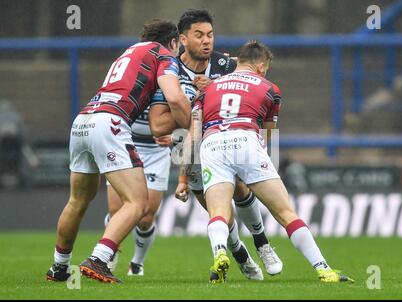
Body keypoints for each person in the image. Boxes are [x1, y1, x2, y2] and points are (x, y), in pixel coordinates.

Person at [190, 40, 354, 284]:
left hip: (211, 144)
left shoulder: (208, 89)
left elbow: (193, 133)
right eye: (265, 68)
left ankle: (220, 253)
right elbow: (267, 133)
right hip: (245, 139)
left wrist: (185, 176)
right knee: (285, 212)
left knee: (219, 213)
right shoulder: (269, 88)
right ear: (260, 65)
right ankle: (324, 269)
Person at [45, 20, 191, 284]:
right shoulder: (164, 54)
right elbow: (174, 97)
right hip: (110, 123)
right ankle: (99, 258)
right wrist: (192, 119)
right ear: (172, 42)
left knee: (78, 200)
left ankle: (59, 267)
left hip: (83, 120)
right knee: (137, 203)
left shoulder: (128, 52)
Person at [152, 9, 282, 280]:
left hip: (223, 138)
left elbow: (252, 87)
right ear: (183, 40)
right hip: (190, 146)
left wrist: (215, 88)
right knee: (218, 211)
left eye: (210, 34)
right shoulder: (169, 71)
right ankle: (240, 254)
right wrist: (186, 116)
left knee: (242, 188)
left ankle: (263, 243)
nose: (206, 41)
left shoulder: (225, 65)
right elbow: (158, 124)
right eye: (198, 35)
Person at [103, 21, 180, 277]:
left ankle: (137, 262)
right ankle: (107, 256)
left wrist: (176, 134)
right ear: (171, 43)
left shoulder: (173, 72)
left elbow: (183, 111)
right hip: (127, 142)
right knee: (118, 210)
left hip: (156, 152)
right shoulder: (137, 66)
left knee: (146, 215)